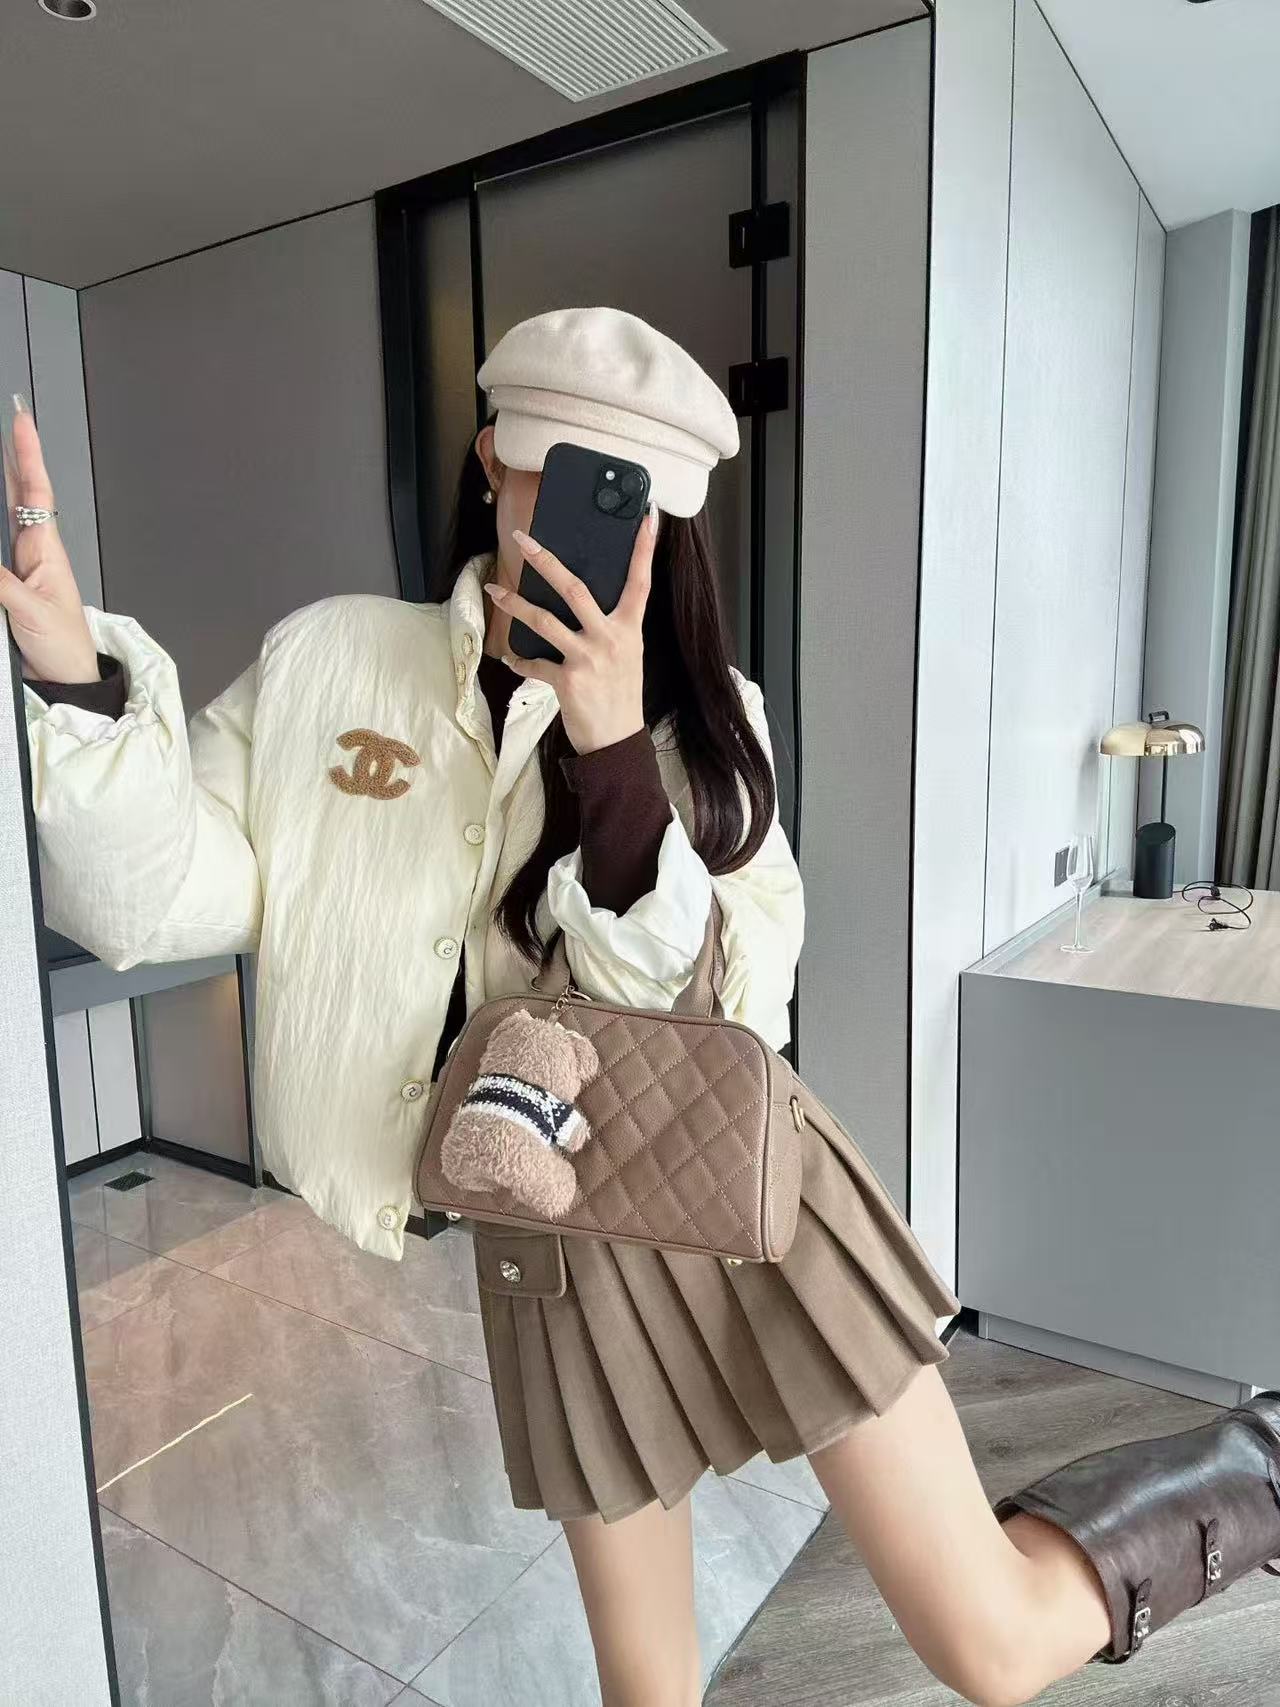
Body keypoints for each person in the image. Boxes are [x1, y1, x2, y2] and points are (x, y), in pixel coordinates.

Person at [4, 306, 1278, 1707]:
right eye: (558, 478)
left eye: (631, 506)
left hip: (752, 1201)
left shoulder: (716, 722)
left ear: (670, 527)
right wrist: (72, 678)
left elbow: (734, 1009)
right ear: (490, 459)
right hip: (551, 1251)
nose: (583, 535)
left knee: (990, 1646)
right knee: (645, 1681)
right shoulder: (333, 661)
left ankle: (1261, 1462)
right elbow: (163, 901)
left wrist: (609, 747)